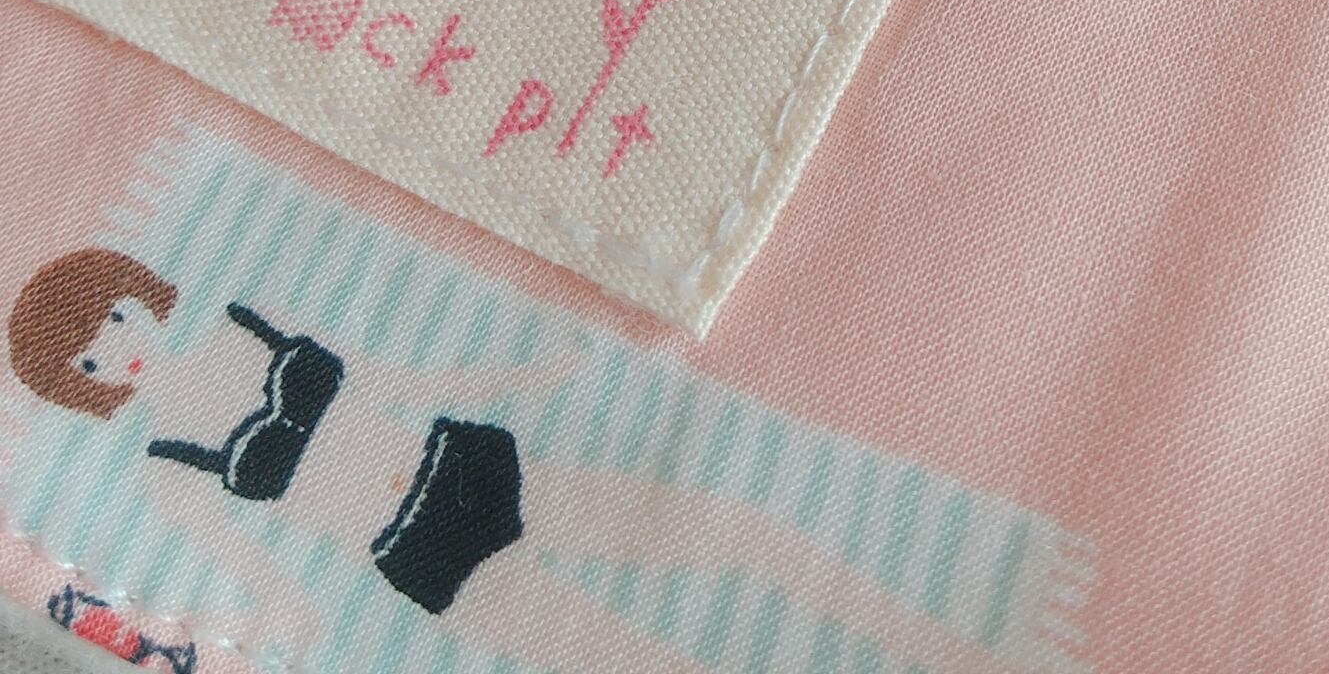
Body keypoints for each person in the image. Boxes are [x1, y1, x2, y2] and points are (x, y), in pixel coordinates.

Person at [8, 248, 1017, 672]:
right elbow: (253, 569)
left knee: (734, 535)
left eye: (115, 318)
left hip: (468, 464)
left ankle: (940, 642)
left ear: (136, 294)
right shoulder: (166, 466)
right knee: (643, 662)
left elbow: (392, 379)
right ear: (83, 385)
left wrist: (526, 376)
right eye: (91, 359)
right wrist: (261, 627)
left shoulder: (244, 324)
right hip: (423, 559)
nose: (120, 348)